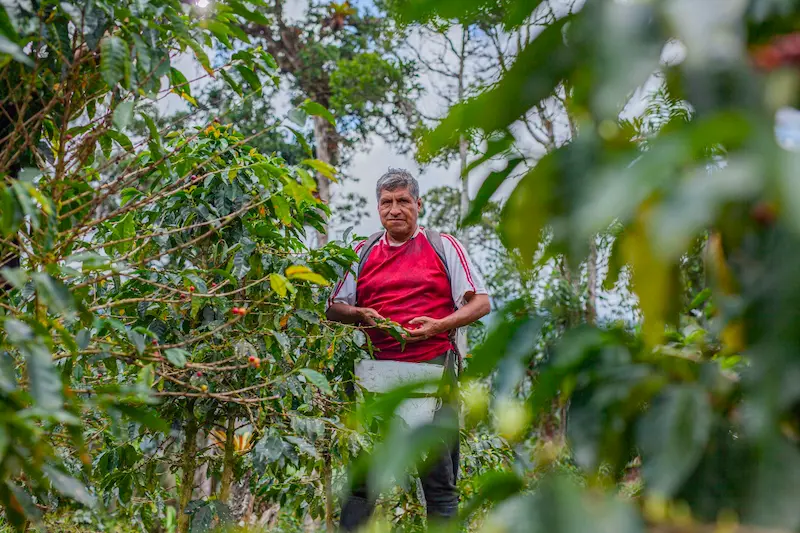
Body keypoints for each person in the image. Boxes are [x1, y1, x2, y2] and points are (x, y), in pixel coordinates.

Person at [326, 168, 491, 530]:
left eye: (403, 201)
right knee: (362, 482)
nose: (395, 209)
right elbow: (333, 306)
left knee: (439, 482)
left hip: (433, 372)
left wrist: (439, 325)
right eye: (387, 202)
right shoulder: (361, 251)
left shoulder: (442, 245)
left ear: (418, 204)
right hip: (375, 378)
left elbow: (480, 303)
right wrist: (358, 313)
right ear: (378, 207)